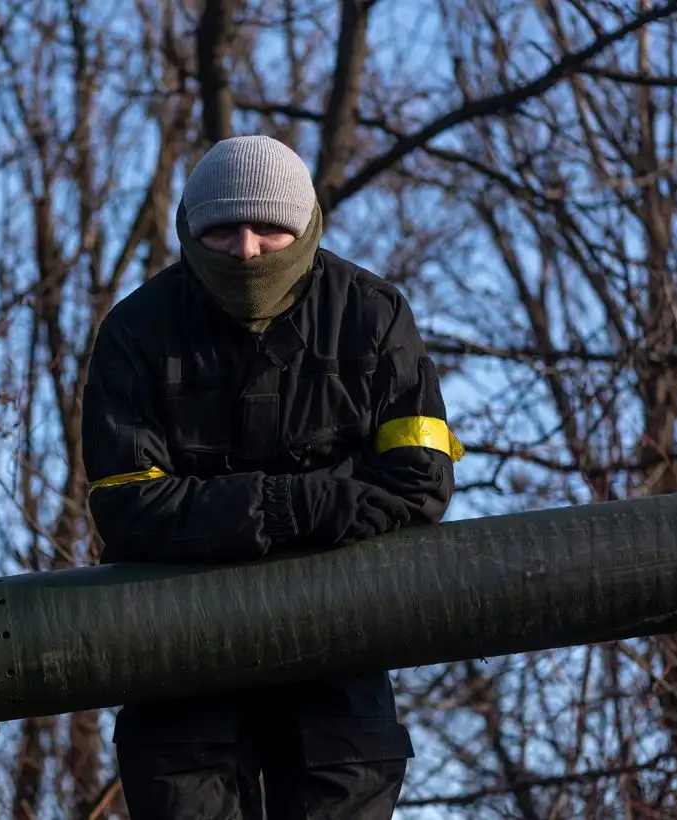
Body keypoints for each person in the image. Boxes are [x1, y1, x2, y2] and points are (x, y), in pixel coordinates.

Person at [81, 135, 461, 819]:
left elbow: (420, 483)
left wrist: (212, 514)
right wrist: (300, 504)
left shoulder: (373, 317)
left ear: (306, 226)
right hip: (177, 655)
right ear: (191, 231)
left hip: (341, 648)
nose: (249, 250)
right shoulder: (136, 331)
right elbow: (129, 507)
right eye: (223, 230)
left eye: (268, 227)